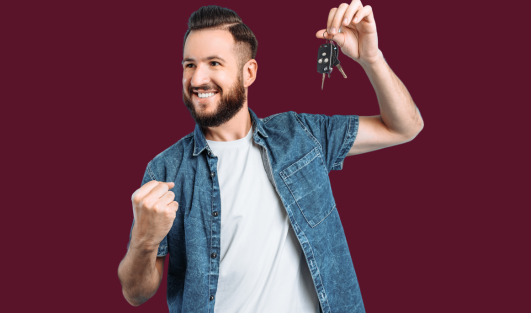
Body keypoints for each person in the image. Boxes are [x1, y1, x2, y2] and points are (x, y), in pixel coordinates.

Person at [118, 3, 423, 313]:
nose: (197, 79)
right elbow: (136, 293)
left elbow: (404, 127)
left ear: (248, 72)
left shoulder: (300, 135)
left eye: (213, 63)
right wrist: (144, 240)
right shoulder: (167, 169)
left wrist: (371, 58)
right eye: (189, 65)